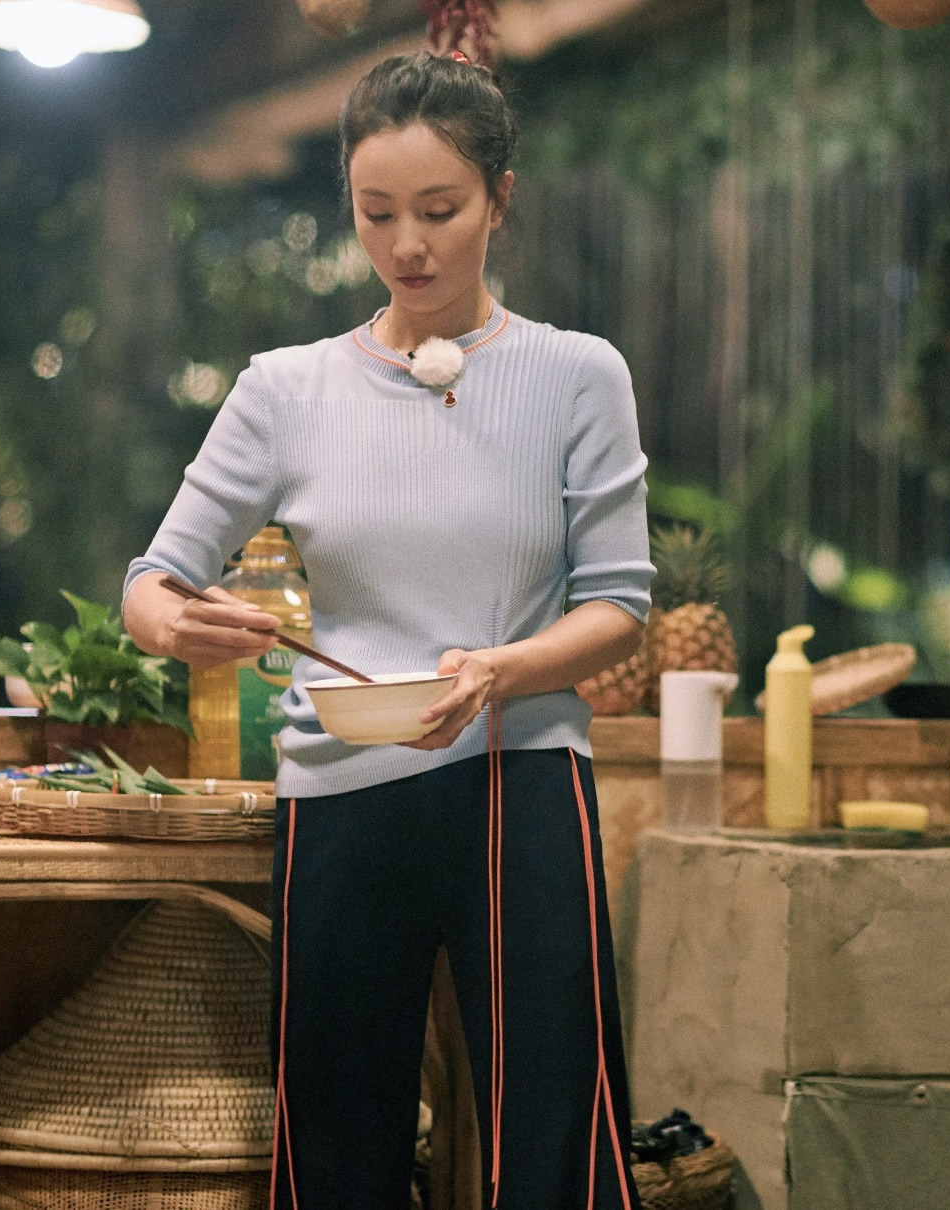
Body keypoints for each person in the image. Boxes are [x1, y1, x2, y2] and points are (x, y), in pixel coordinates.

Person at [123, 50, 653, 1210]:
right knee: (336, 1122)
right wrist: (185, 628)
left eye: (439, 210)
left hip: (519, 775)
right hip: (342, 782)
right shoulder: (285, 388)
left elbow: (619, 606)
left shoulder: (576, 377)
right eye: (377, 214)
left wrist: (505, 668)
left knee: (555, 1112)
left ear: (500, 200)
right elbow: (153, 580)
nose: (407, 243)